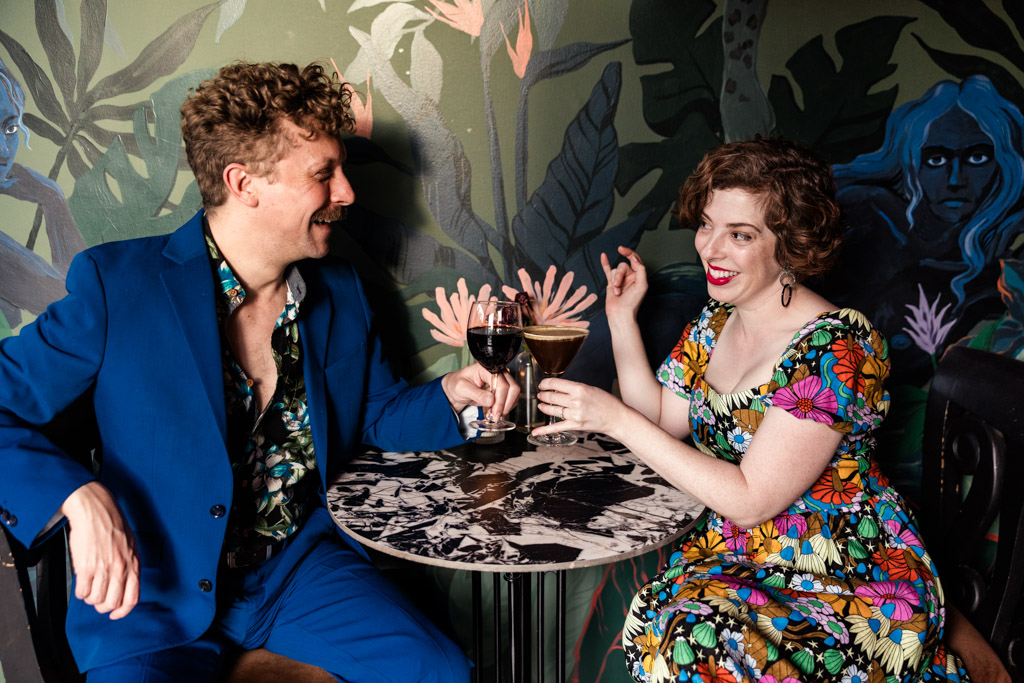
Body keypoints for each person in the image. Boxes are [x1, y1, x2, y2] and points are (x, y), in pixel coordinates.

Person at [0, 61, 516, 682]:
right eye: (324, 174)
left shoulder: (342, 293)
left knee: (442, 672)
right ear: (244, 183)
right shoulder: (117, 286)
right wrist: (76, 496)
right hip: (150, 595)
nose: (347, 192)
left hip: (297, 572)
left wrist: (453, 396)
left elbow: (377, 412)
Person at [528, 137, 996, 681]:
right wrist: (621, 318)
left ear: (791, 244)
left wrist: (611, 418)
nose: (711, 249)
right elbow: (660, 420)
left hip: (846, 577)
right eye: (707, 225)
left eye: (741, 235)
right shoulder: (716, 322)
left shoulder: (837, 345)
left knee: (685, 639)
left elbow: (750, 499)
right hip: (743, 558)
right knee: (660, 622)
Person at [823, 75, 1024, 385]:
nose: (955, 179)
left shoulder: (1001, 278)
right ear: (910, 161)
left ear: (1004, 166)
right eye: (937, 158)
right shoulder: (865, 215)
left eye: (977, 157)